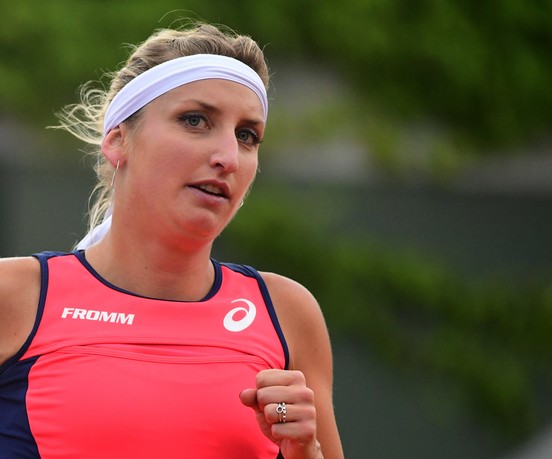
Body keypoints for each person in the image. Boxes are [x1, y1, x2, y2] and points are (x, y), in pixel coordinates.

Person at [0, 22, 344, 458]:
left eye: (247, 136)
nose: (227, 157)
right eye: (195, 120)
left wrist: (304, 451)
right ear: (118, 139)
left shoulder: (287, 312)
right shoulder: (15, 296)